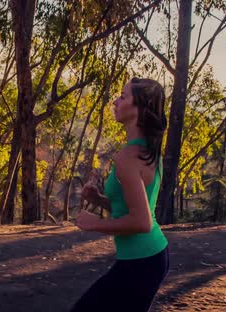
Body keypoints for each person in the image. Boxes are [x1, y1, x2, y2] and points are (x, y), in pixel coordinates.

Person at [71, 77, 169, 312]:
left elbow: (141, 222)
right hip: (149, 258)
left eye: (123, 96)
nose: (115, 101)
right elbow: (132, 208)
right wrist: (99, 200)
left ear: (139, 108)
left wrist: (96, 224)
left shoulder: (129, 156)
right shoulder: (148, 149)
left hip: (141, 262)